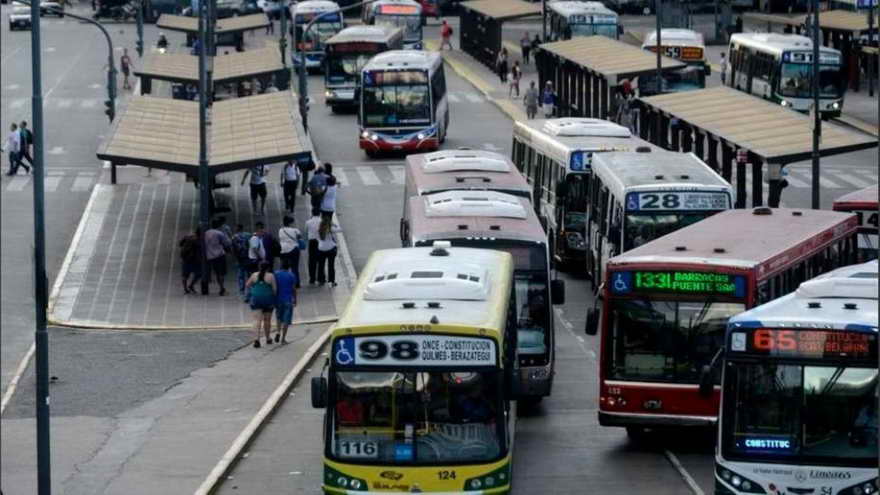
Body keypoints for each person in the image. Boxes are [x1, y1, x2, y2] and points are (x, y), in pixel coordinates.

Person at [245, 261, 276, 348]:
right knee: (267, 320)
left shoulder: (254, 275)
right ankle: (268, 338)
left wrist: (254, 289)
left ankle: (256, 340)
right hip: (268, 300)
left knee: (256, 320)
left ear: (259, 267)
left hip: (256, 299)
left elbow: (247, 284)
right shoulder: (271, 276)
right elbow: (275, 289)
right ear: (268, 268)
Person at [204, 218, 231, 296]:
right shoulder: (219, 233)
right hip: (219, 255)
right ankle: (222, 289)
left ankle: (221, 288)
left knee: (216, 272)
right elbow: (226, 243)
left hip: (210, 256)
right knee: (221, 273)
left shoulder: (206, 233)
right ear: (218, 225)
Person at [273, 259, 298, 344]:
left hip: (278, 299)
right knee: (286, 320)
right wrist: (295, 299)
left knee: (279, 317)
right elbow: (293, 289)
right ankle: (283, 339)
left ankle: (277, 332)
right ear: (289, 267)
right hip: (288, 300)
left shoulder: (276, 274)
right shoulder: (291, 275)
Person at [278, 216, 303, 287]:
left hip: (283, 250)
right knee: (294, 267)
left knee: (283, 267)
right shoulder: (295, 230)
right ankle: (296, 283)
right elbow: (299, 237)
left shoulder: (280, 230)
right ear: (290, 223)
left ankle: (281, 282)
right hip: (294, 250)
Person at [316, 215, 341, 286]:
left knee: (321, 265)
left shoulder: (319, 229)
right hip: (330, 249)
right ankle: (331, 281)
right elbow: (340, 229)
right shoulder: (331, 229)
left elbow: (317, 238)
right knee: (331, 265)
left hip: (321, 249)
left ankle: (321, 280)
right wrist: (333, 224)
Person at [231, 224, 252, 298]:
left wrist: (234, 257)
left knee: (241, 275)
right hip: (248, 257)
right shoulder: (248, 235)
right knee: (249, 274)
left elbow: (233, 249)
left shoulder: (234, 237)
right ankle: (249, 290)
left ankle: (241, 291)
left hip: (239, 258)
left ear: (237, 229)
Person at [179, 228, 202, 294]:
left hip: (185, 259)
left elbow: (180, 244)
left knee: (185, 275)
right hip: (194, 260)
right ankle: (191, 285)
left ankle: (185, 289)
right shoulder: (198, 240)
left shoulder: (188, 236)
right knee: (199, 273)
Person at [305, 208, 322, 285]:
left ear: (312, 213)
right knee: (321, 260)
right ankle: (321, 277)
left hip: (312, 242)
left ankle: (312, 278)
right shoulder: (322, 221)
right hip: (320, 242)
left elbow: (306, 231)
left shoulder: (308, 222)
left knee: (312, 261)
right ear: (319, 213)